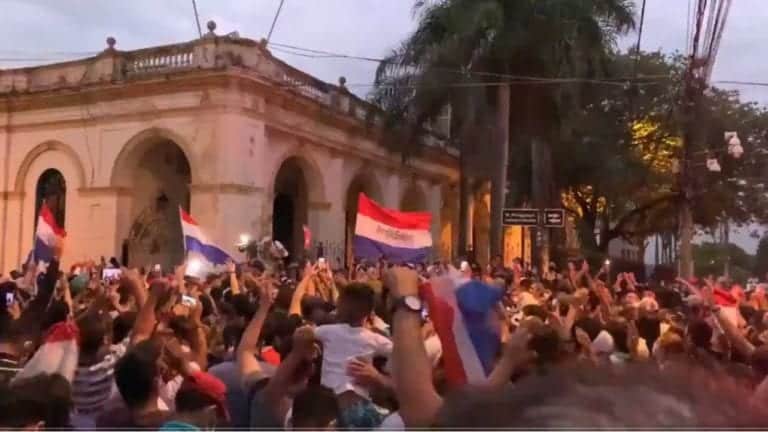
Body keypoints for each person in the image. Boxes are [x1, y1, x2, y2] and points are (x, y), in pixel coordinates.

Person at [313, 282, 392, 428]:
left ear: (339, 306)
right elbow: (397, 351)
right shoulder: (373, 338)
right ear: (369, 312)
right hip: (359, 407)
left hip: (328, 409)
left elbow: (303, 333)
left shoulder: (326, 331)